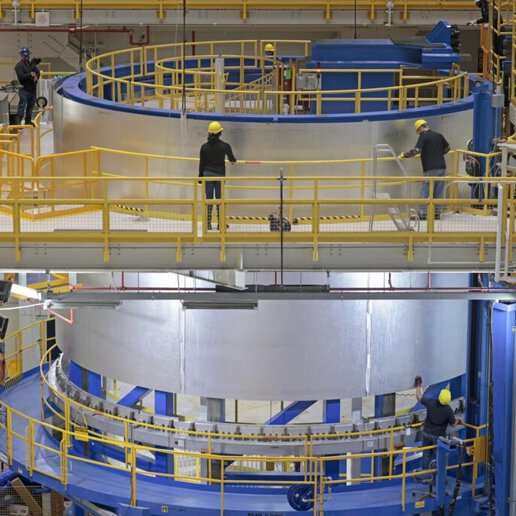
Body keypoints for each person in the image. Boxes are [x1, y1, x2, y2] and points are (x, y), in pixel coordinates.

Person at [399, 119, 450, 220]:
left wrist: (405, 155)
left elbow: (416, 150)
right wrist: (438, 154)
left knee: (425, 191)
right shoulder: (438, 135)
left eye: (418, 130)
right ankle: (437, 214)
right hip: (441, 167)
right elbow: (448, 148)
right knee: (438, 192)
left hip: (430, 168)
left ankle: (422, 214)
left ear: (420, 128)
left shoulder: (423, 137)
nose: (418, 133)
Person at [198, 121, 237, 230]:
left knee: (208, 200)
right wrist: (233, 161)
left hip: (207, 175)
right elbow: (232, 159)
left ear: (209, 133)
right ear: (220, 132)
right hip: (220, 175)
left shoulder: (204, 147)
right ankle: (221, 224)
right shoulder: (225, 146)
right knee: (220, 200)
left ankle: (207, 224)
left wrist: (200, 177)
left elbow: (202, 164)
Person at [415, 381, 461, 472]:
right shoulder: (448, 411)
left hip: (426, 433)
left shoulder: (431, 402)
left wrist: (418, 386)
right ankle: (436, 474)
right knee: (438, 455)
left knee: (426, 454)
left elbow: (418, 397)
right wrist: (458, 421)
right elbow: (452, 424)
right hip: (438, 436)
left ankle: (426, 472)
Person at [14, 47, 40, 126]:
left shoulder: (32, 64)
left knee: (30, 107)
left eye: (27, 55)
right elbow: (21, 76)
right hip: (24, 90)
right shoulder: (18, 66)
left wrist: (37, 77)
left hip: (32, 89)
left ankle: (28, 121)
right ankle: (18, 122)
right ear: (21, 56)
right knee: (22, 106)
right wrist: (30, 74)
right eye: (24, 56)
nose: (26, 57)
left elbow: (37, 72)